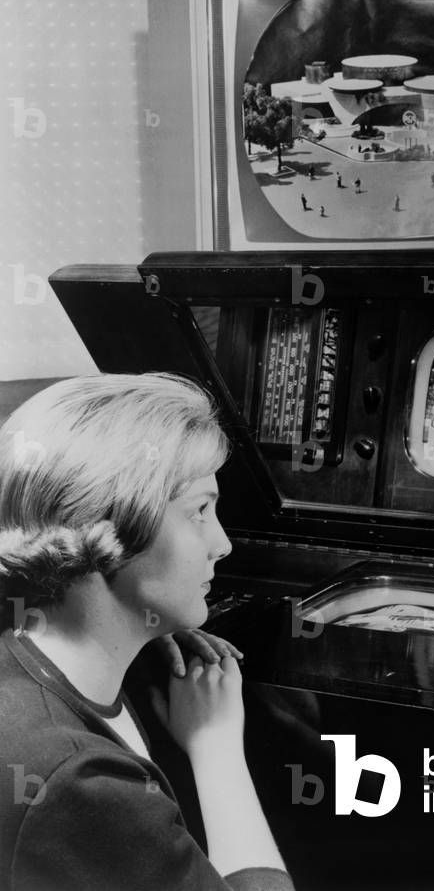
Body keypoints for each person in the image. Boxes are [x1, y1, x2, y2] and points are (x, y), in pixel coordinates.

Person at [0, 374, 293, 891]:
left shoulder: (26, 658)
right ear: (106, 523)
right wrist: (215, 745)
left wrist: (140, 628)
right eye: (200, 510)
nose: (222, 544)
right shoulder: (76, 780)